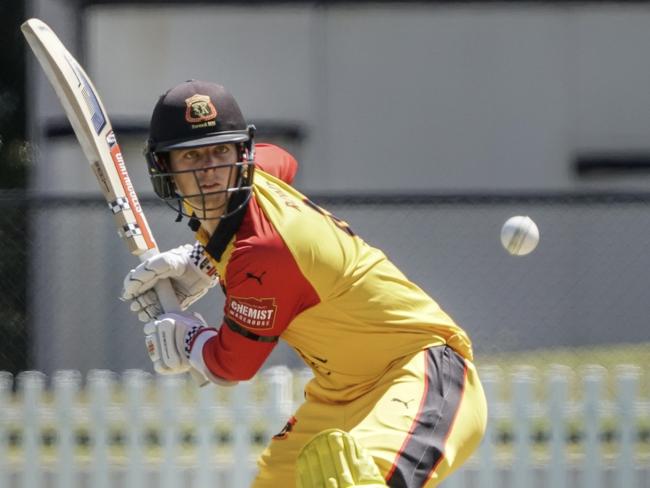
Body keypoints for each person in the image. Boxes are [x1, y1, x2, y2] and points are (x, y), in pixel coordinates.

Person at [121, 80, 487, 487]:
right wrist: (205, 260)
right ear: (166, 168)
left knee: (356, 482)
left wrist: (189, 341)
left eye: (220, 151)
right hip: (340, 395)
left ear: (241, 154)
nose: (210, 171)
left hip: (419, 373)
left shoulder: (262, 252)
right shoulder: (258, 177)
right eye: (192, 156)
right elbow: (282, 159)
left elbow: (233, 365)